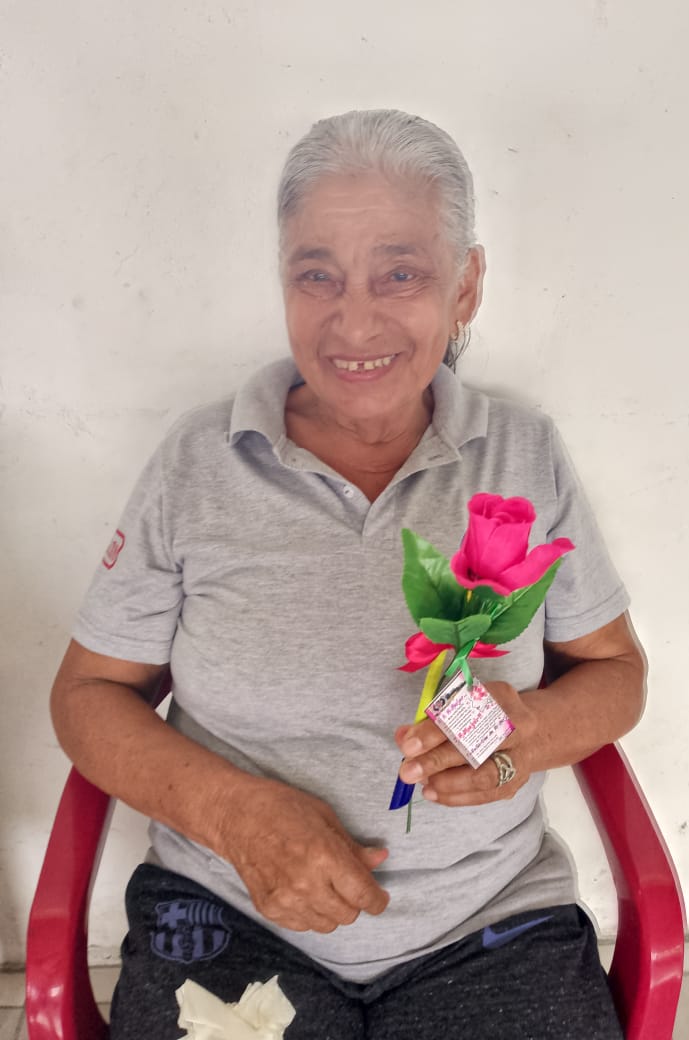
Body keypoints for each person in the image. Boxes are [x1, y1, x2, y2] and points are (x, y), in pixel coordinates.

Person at [51, 109, 645, 1039]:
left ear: (466, 286)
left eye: (400, 273)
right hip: (229, 916)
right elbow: (86, 695)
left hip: (488, 925)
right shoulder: (198, 462)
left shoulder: (523, 456)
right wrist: (235, 815)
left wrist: (530, 733)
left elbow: (617, 675)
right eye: (316, 275)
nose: (353, 321)